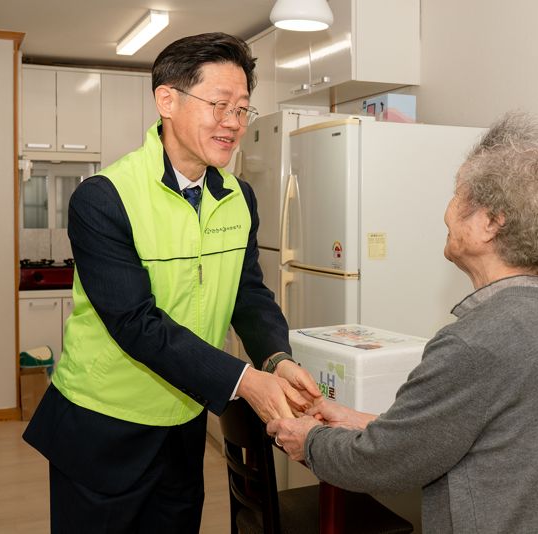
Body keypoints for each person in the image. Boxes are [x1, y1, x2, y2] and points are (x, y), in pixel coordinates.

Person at [23, 32, 321, 533]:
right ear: (167, 100)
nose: (234, 123)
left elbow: (248, 293)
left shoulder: (239, 197)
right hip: (104, 427)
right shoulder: (105, 197)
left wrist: (276, 358)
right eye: (220, 105)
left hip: (182, 420)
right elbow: (135, 322)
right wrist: (245, 381)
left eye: (242, 109)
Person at [268, 112, 538, 533]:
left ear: (490, 222)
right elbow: (468, 435)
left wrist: (308, 441)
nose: (447, 212)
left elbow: (383, 463)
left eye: (458, 195)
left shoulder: (475, 342)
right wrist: (364, 422)